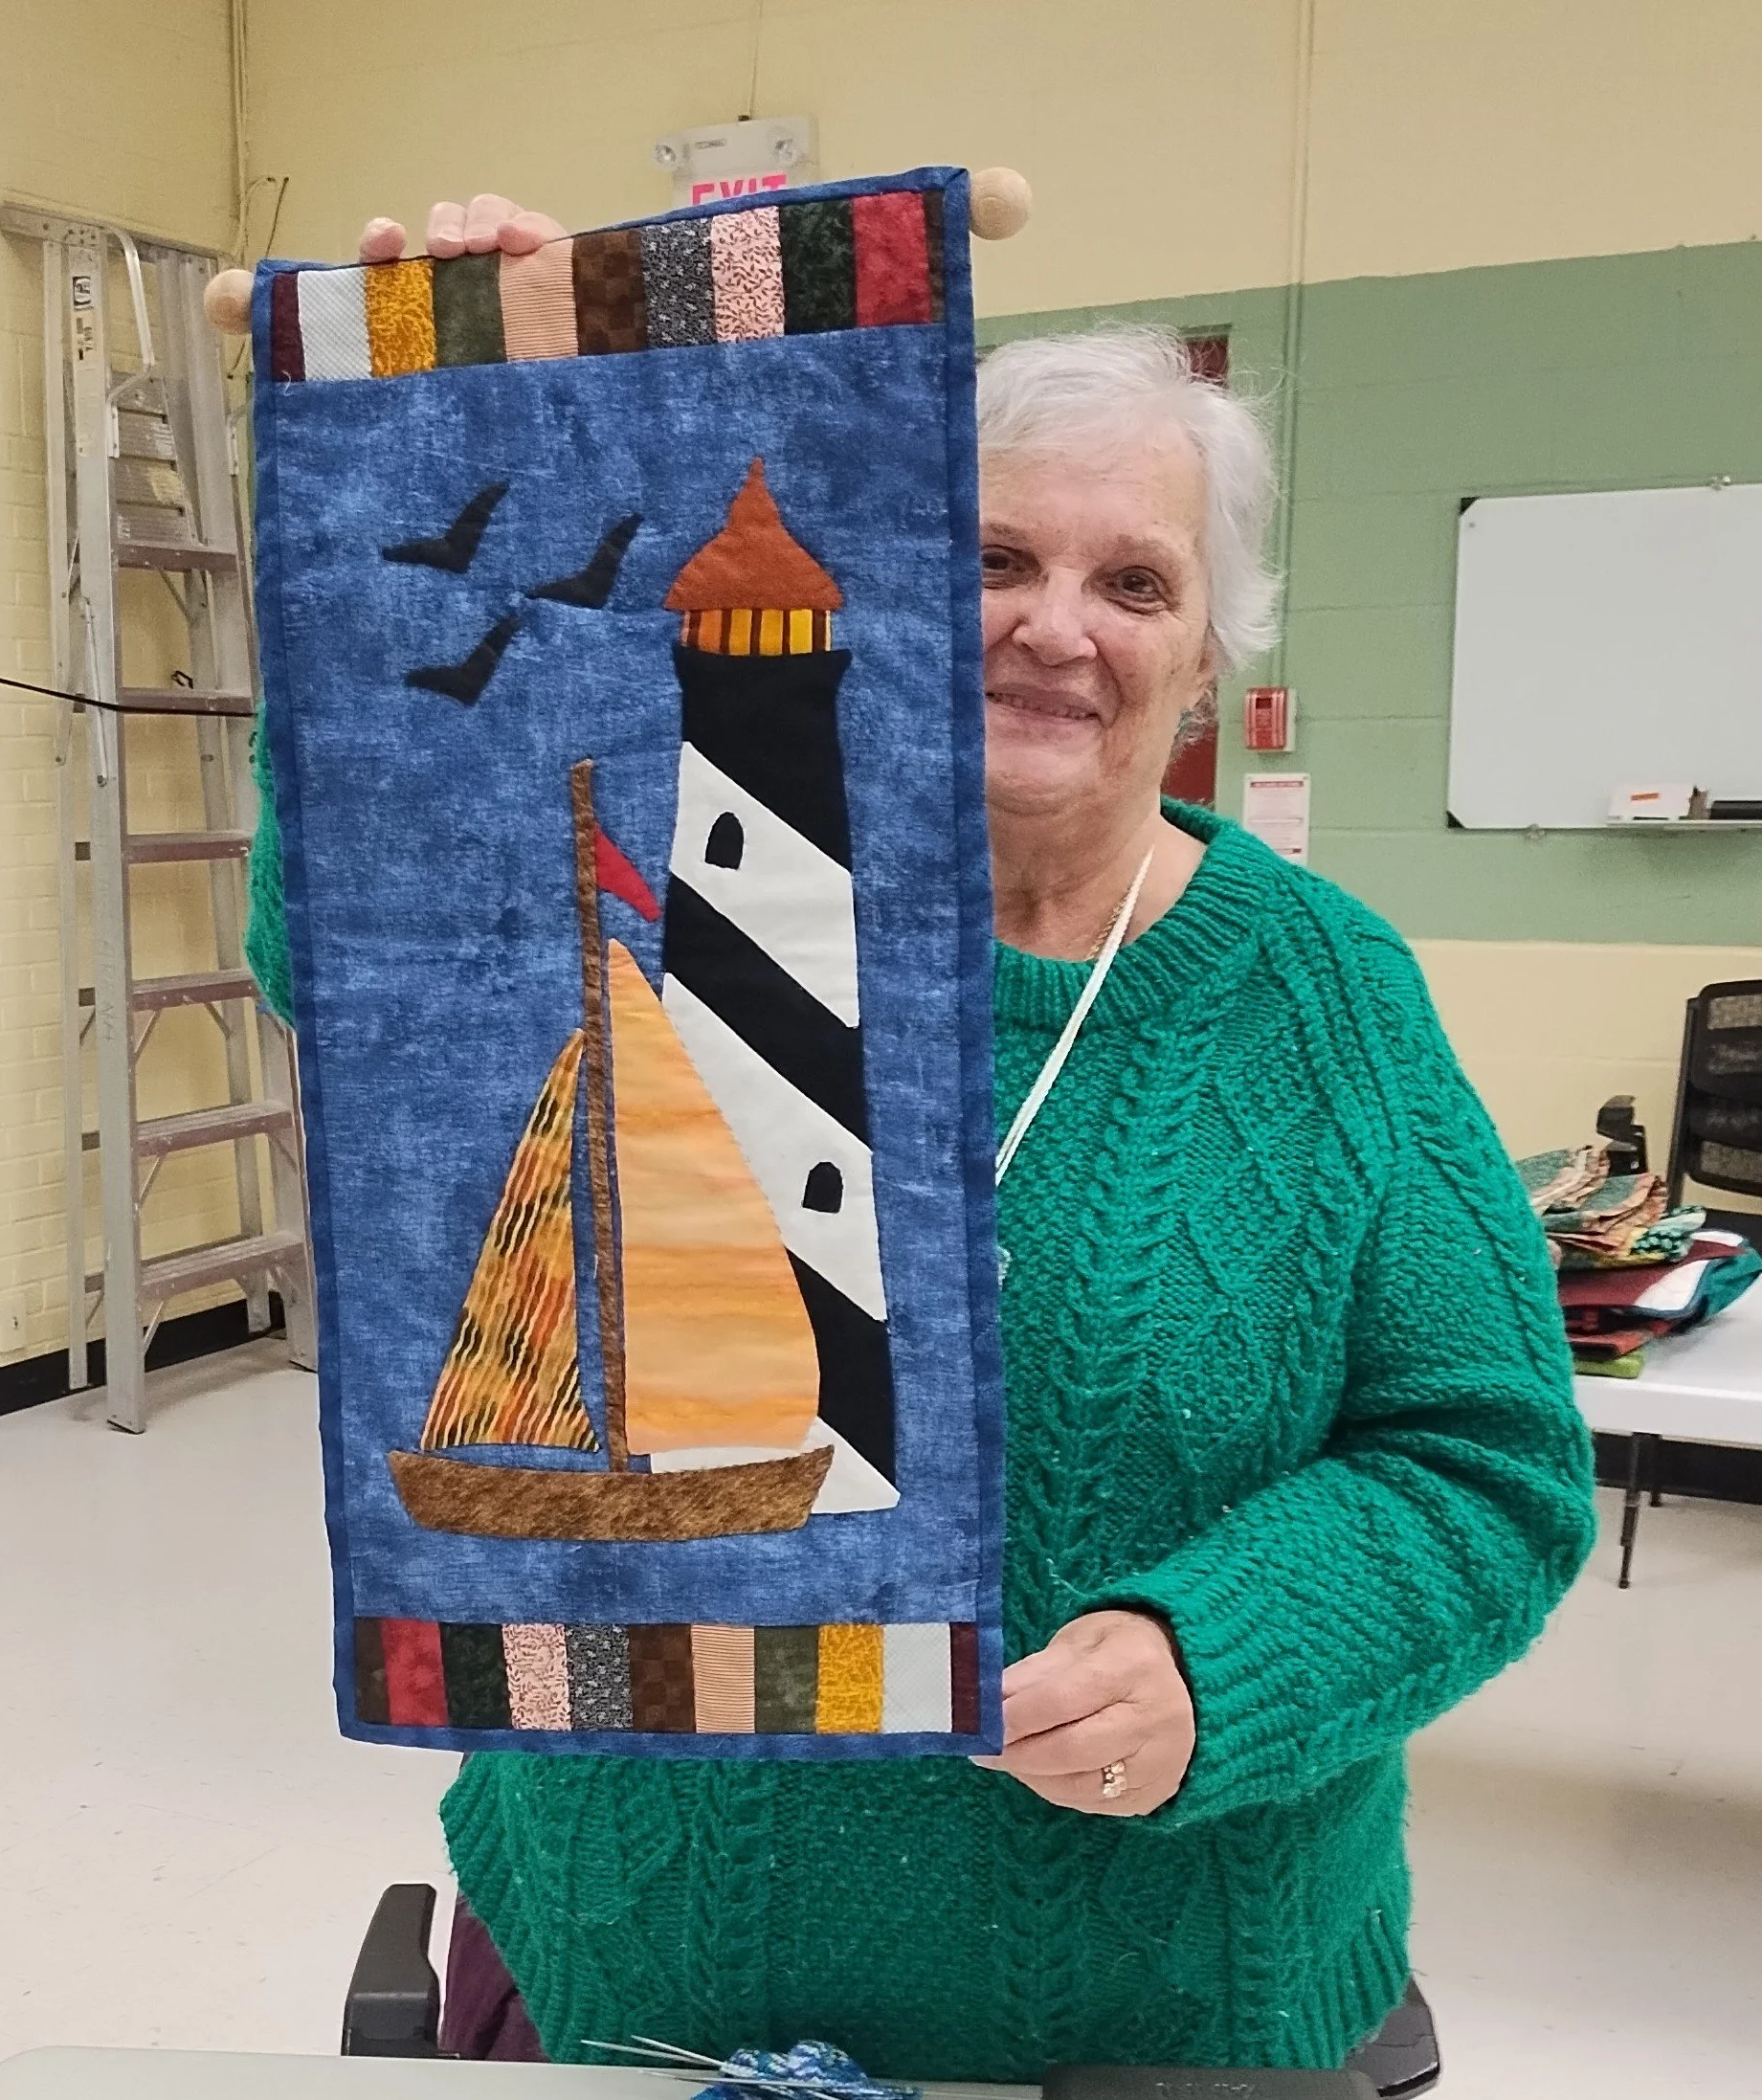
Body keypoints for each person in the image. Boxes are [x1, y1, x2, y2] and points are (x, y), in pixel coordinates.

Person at [258, 194, 1597, 2078]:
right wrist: (471, 402)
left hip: (1162, 2027)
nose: (1055, 623)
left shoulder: (1323, 993)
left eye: (1132, 582)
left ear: (1204, 659)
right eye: (989, 556)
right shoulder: (682, 871)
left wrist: (1223, 1657)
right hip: (622, 1988)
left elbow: (1487, 1466)